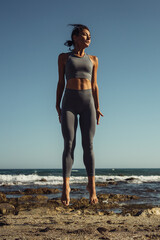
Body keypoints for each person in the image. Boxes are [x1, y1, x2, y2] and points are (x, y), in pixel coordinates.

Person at [56, 24, 103, 206]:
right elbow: (61, 82)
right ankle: (66, 187)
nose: (88, 38)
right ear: (75, 37)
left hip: (88, 104)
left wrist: (98, 107)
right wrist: (57, 105)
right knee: (69, 143)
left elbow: (95, 85)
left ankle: (92, 187)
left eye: (89, 35)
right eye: (85, 35)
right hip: (69, 103)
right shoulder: (63, 57)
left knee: (88, 145)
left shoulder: (94, 59)